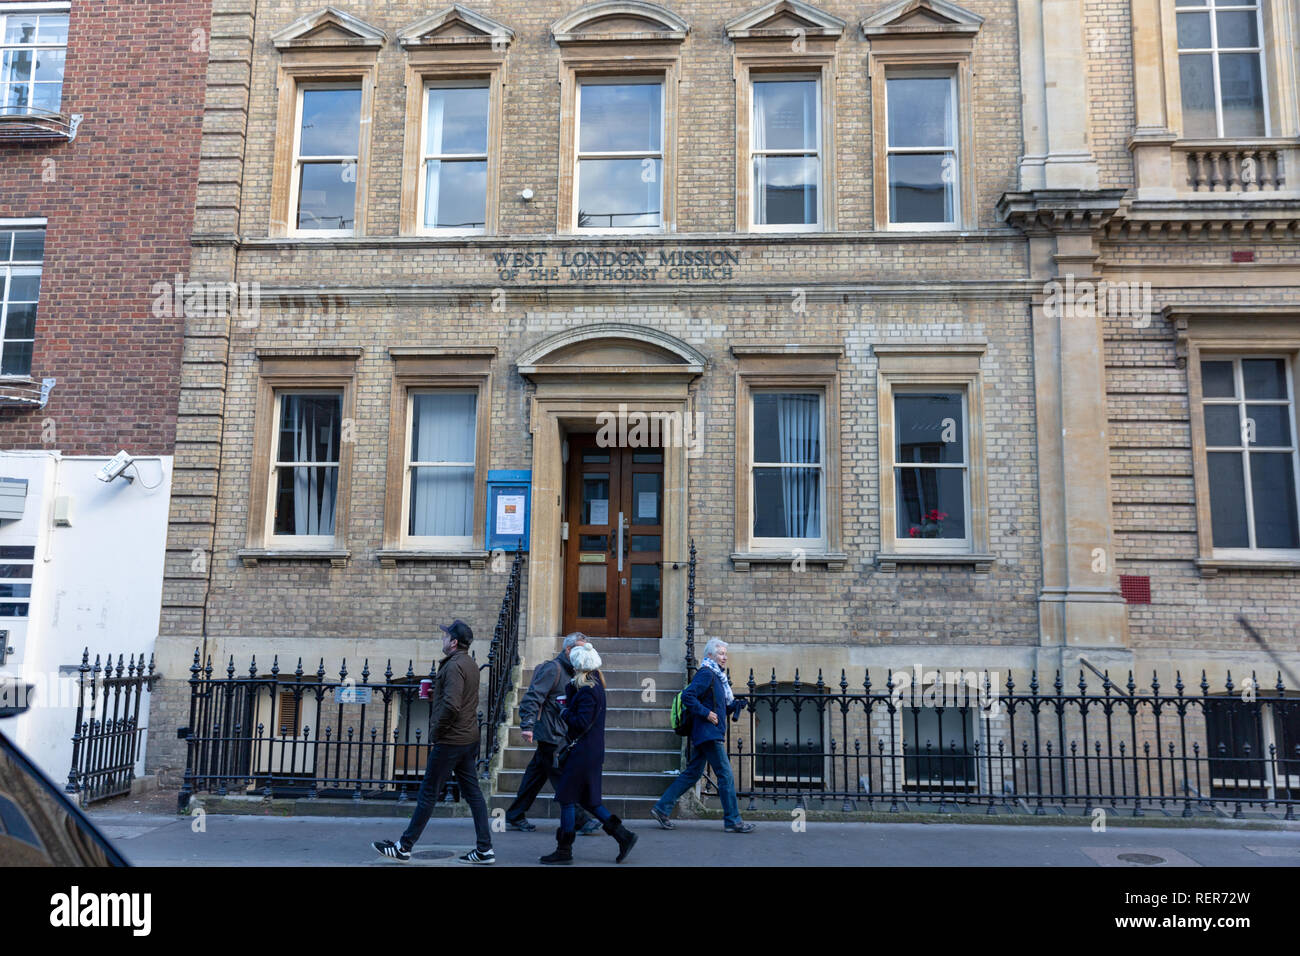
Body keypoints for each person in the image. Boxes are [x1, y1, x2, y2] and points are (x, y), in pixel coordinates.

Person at [372, 619, 495, 864]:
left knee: (428, 793)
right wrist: (433, 696)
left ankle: (404, 847)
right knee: (473, 794)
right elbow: (456, 699)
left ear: (454, 642)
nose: (442, 639)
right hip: (467, 737)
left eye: (445, 636)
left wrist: (437, 732)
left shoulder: (453, 667)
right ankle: (484, 849)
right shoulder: (469, 664)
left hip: (451, 740)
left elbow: (452, 704)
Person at [539, 644, 638, 865]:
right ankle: (624, 836)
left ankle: (564, 851)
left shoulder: (588, 690)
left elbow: (581, 722)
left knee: (566, 799)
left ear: (577, 664)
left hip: (582, 752)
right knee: (590, 801)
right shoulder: (592, 684)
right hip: (590, 751)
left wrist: (564, 711)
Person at [651, 638, 755, 833]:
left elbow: (718, 708)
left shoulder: (717, 677)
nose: (725, 657)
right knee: (725, 775)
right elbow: (688, 696)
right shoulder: (706, 674)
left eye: (725, 654)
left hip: (706, 733)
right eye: (721, 654)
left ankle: (661, 808)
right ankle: (733, 820)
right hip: (708, 734)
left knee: (693, 773)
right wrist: (706, 713)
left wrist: (734, 706)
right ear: (710, 656)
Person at [505, 632, 600, 835]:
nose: (583, 654)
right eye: (580, 649)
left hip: (561, 734)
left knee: (535, 775)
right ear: (568, 650)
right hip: (551, 734)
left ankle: (514, 815)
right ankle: (582, 821)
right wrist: (527, 725)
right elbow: (532, 697)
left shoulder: (574, 671)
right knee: (564, 778)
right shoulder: (553, 669)